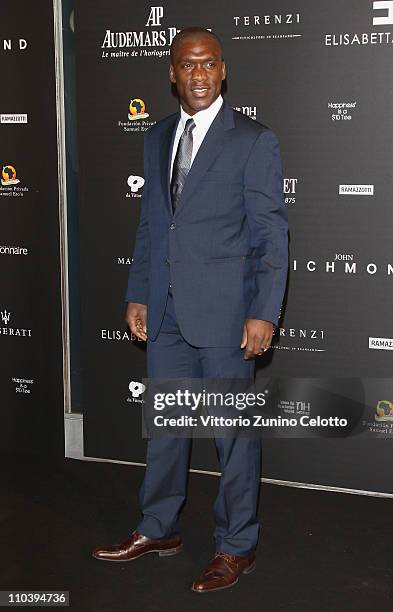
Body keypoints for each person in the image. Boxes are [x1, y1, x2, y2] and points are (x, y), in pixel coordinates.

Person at [92, 26, 288, 594]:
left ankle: (237, 544)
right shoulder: (156, 138)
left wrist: (264, 312)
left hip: (228, 315)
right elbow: (153, 224)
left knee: (233, 436)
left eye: (208, 64)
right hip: (169, 312)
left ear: (222, 71)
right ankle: (159, 528)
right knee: (168, 429)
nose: (198, 74)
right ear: (172, 74)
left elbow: (272, 236)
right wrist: (139, 291)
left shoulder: (253, 139)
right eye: (187, 64)